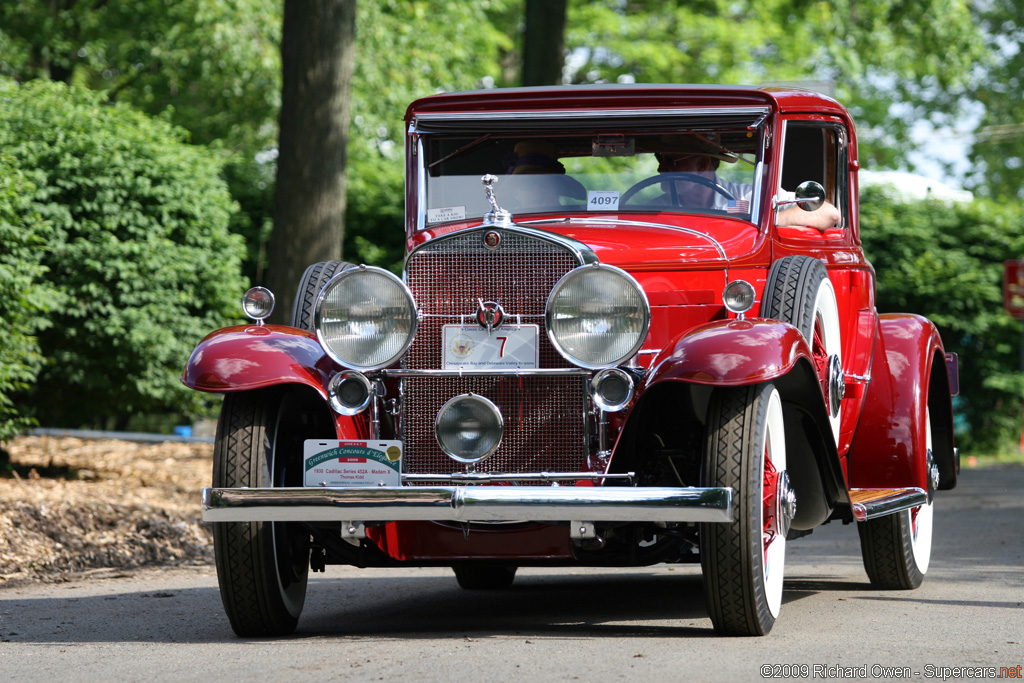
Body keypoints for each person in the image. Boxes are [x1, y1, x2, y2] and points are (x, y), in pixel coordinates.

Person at [655, 151, 841, 231]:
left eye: (671, 161)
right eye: (659, 158)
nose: (660, 169)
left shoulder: (742, 200)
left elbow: (828, 213)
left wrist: (767, 221)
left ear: (703, 164)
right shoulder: (655, 208)